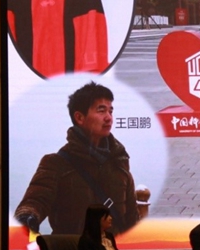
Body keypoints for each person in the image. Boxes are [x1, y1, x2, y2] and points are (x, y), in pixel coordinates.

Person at [14, 82, 140, 236]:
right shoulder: (56, 163)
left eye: (110, 111)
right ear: (79, 117)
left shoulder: (118, 162)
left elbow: (132, 221)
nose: (109, 118)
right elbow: (36, 201)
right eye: (101, 111)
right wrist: (28, 217)